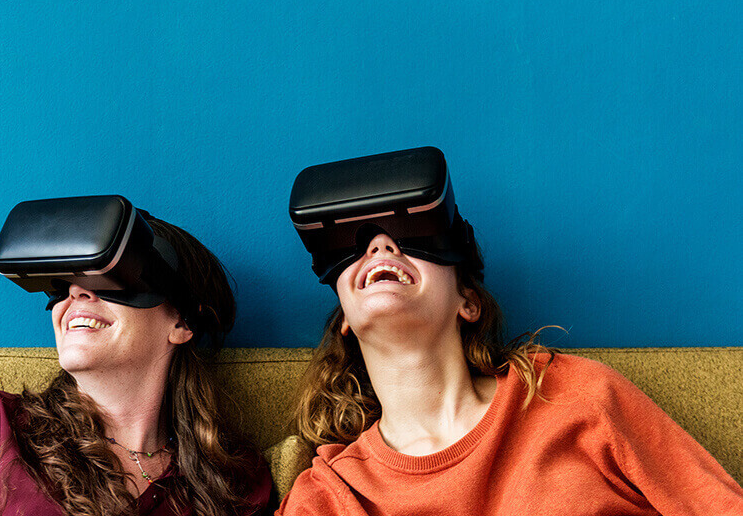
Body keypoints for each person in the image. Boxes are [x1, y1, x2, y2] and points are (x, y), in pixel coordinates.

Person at [278, 148, 743, 516]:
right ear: (343, 318)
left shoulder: (578, 397)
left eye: (409, 235)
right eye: (357, 246)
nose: (380, 244)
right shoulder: (326, 497)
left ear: (469, 302)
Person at [0, 201, 271, 516]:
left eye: (111, 277)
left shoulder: (236, 481)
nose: (76, 291)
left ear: (181, 322)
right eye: (63, 283)